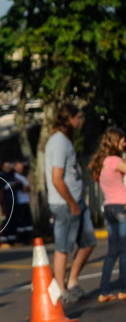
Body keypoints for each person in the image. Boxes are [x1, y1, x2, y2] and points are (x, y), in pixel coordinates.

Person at [44, 103, 95, 305]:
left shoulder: (65, 141)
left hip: (76, 201)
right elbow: (57, 178)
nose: (80, 121)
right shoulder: (58, 141)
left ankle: (72, 281)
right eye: (78, 118)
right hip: (65, 204)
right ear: (70, 118)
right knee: (63, 247)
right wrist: (72, 203)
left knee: (89, 242)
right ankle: (61, 289)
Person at [88, 127, 126, 302]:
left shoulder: (102, 162)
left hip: (109, 208)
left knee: (112, 252)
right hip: (121, 208)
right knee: (124, 250)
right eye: (122, 141)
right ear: (114, 142)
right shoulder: (115, 160)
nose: (124, 143)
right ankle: (123, 289)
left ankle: (103, 291)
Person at [12, 162, 32, 244]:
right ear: (15, 168)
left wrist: (25, 188)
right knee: (21, 222)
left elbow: (28, 188)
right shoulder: (14, 177)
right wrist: (24, 187)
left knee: (28, 222)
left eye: (21, 167)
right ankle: (20, 240)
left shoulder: (23, 177)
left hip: (26, 201)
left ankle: (27, 239)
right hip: (19, 203)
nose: (20, 169)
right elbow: (22, 188)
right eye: (18, 167)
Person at [0, 162, 16, 247]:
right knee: (5, 220)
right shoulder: (1, 175)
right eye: (6, 166)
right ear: (2, 167)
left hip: (12, 200)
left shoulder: (11, 175)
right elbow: (3, 187)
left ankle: (11, 240)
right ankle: (4, 241)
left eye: (9, 166)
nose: (8, 168)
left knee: (12, 220)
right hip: (5, 201)